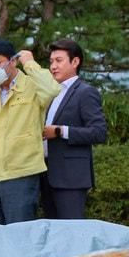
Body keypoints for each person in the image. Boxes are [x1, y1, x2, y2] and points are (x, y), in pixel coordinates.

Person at [0, 39, 60, 224]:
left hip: (21, 173)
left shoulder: (32, 87)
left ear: (13, 61)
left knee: (20, 232)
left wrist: (29, 63)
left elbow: (52, 89)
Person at [41, 38, 107, 220]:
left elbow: (99, 132)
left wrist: (60, 131)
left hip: (71, 178)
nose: (53, 66)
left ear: (75, 61)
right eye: (51, 61)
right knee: (52, 231)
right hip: (45, 174)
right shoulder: (52, 92)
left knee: (71, 230)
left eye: (59, 60)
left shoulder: (85, 92)